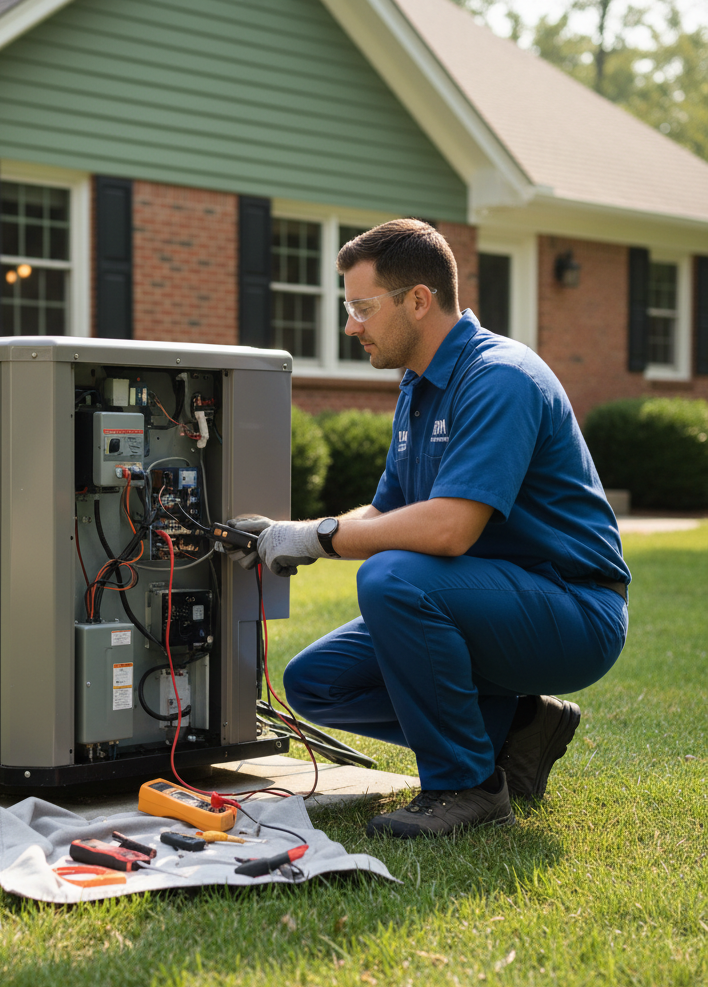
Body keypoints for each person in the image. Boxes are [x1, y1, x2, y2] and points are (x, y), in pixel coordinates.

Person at [227, 219, 629, 839]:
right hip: (487, 601)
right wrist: (288, 533)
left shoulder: (499, 377)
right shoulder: (419, 387)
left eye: (361, 307)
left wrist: (317, 537)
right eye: (347, 307)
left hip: (574, 610)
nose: (350, 326)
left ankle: (466, 785)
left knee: (394, 578)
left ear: (418, 300)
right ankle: (519, 730)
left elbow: (449, 531)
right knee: (317, 682)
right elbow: (386, 513)